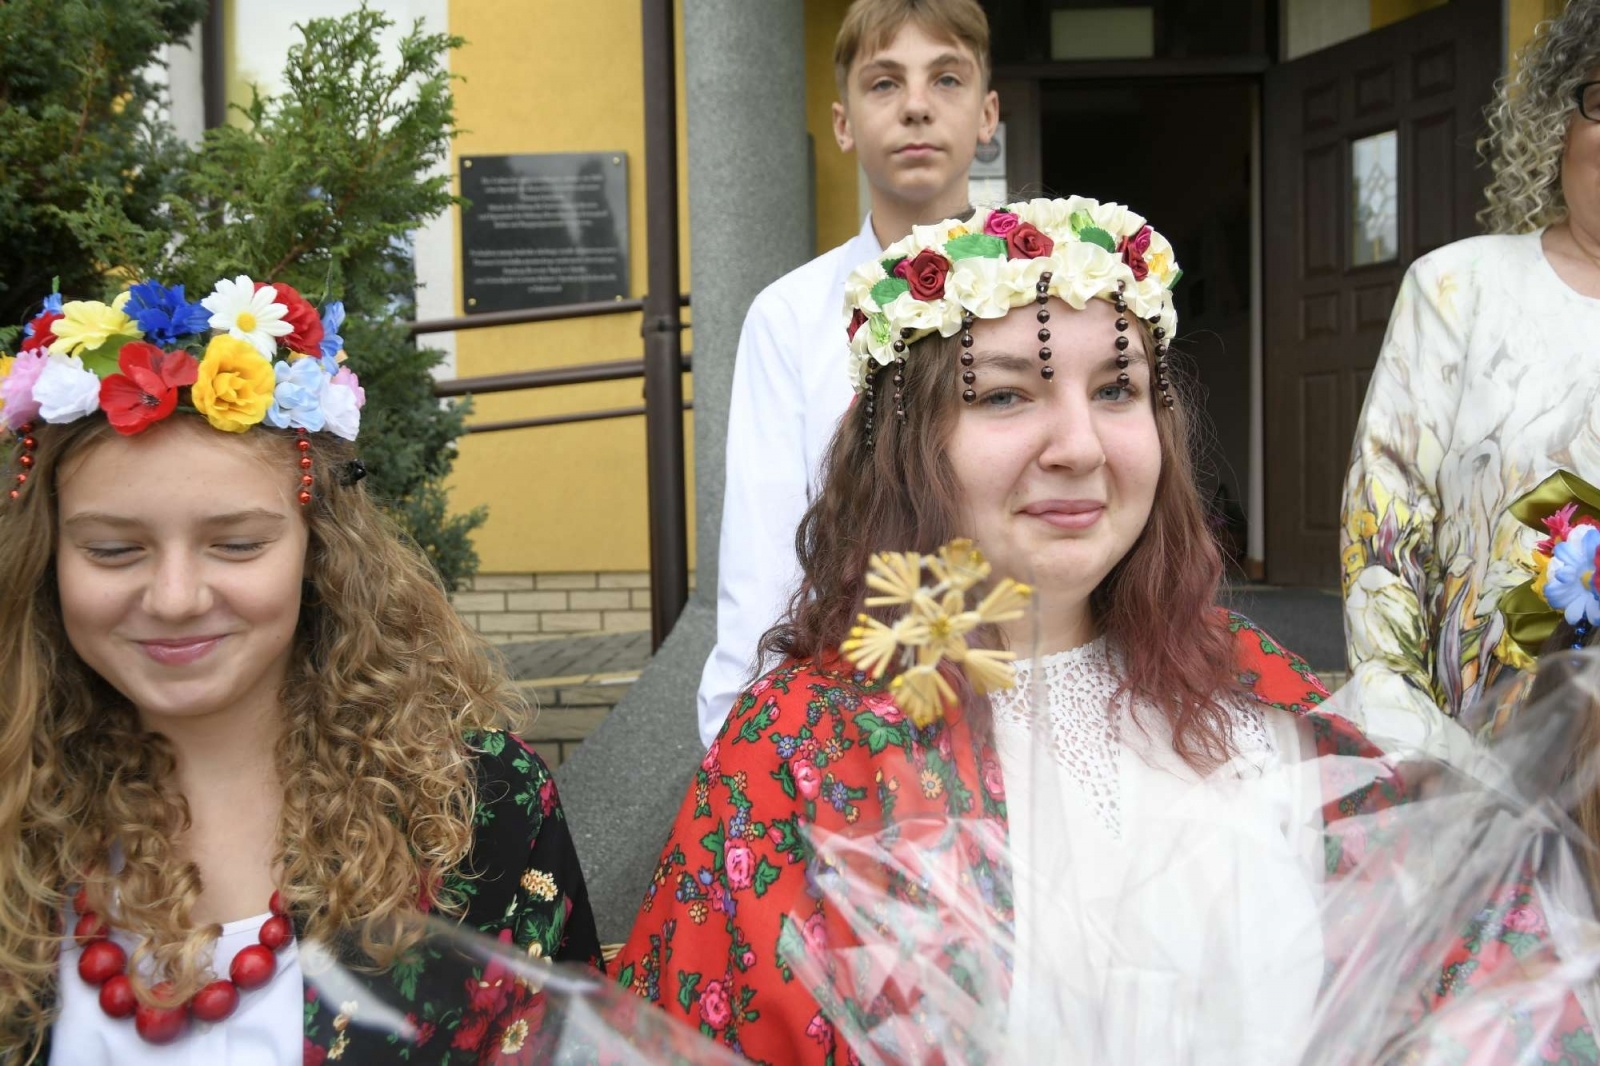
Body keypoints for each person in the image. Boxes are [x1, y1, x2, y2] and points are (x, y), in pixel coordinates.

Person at [616, 196, 1596, 1063]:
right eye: (1004, 393)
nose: (1079, 445)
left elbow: (1470, 974)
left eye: (1117, 389)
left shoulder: (1264, 695)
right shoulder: (793, 752)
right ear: (911, 446)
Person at [0, 278, 600, 1064]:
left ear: (321, 552)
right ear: (45, 561)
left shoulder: (474, 812)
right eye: (114, 550)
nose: (176, 598)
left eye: (237, 544)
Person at [697, 0, 1000, 746]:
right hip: (851, 706)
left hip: (1020, 680)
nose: (918, 107)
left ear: (988, 114)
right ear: (843, 123)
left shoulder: (1050, 294)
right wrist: (740, 732)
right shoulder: (790, 316)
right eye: (885, 83)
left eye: (947, 79)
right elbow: (763, 548)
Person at [1341, 0, 1600, 755]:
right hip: (1471, 764)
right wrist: (1410, 739)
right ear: (1561, 120)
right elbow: (1383, 530)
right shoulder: (1458, 288)